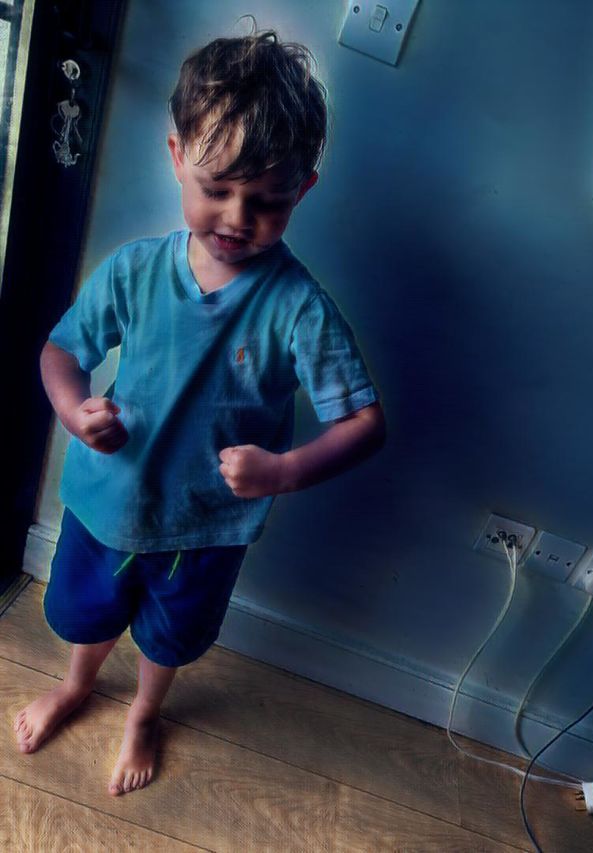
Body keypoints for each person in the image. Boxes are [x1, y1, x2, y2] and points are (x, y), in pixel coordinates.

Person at [13, 27, 386, 796]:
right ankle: (78, 685)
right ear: (177, 157)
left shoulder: (298, 309)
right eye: (216, 187)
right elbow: (60, 352)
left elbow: (362, 423)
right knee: (88, 612)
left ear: (302, 191)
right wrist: (75, 411)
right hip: (107, 501)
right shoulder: (135, 271)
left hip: (205, 525)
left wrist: (283, 470)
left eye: (267, 201)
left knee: (169, 633)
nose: (237, 216)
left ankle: (145, 712)